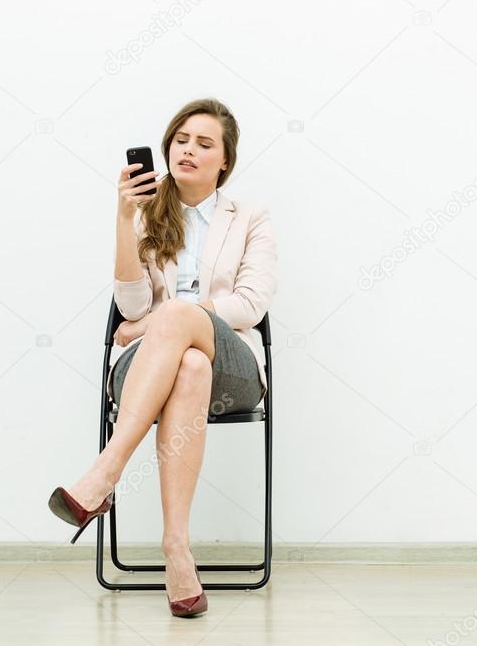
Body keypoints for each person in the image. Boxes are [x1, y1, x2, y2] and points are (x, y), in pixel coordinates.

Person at [47, 98, 277, 618]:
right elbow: (129, 303)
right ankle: (177, 550)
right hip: (153, 371)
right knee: (187, 364)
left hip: (231, 366)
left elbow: (250, 303)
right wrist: (124, 216)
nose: (188, 150)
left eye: (204, 143)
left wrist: (159, 321)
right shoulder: (149, 211)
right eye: (180, 139)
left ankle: (105, 473)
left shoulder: (252, 219)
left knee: (179, 324)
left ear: (225, 160)